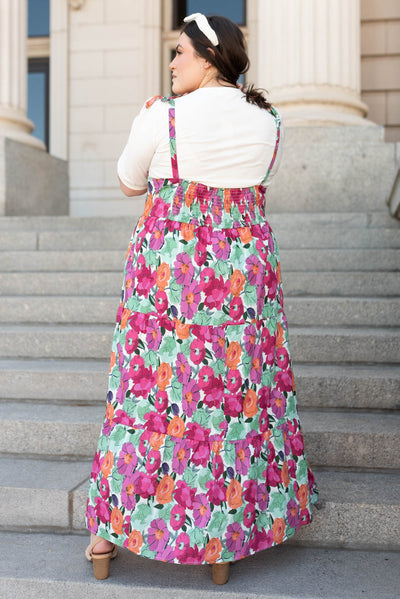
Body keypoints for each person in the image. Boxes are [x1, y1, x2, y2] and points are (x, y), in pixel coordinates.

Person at [85, 13, 319, 586]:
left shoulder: (161, 116)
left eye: (179, 54)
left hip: (170, 270)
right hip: (242, 269)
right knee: (234, 395)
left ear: (209, 60)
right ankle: (224, 539)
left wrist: (147, 124)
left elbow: (127, 180)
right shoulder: (269, 121)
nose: (170, 64)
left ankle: (109, 530)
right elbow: (257, 179)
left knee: (149, 394)